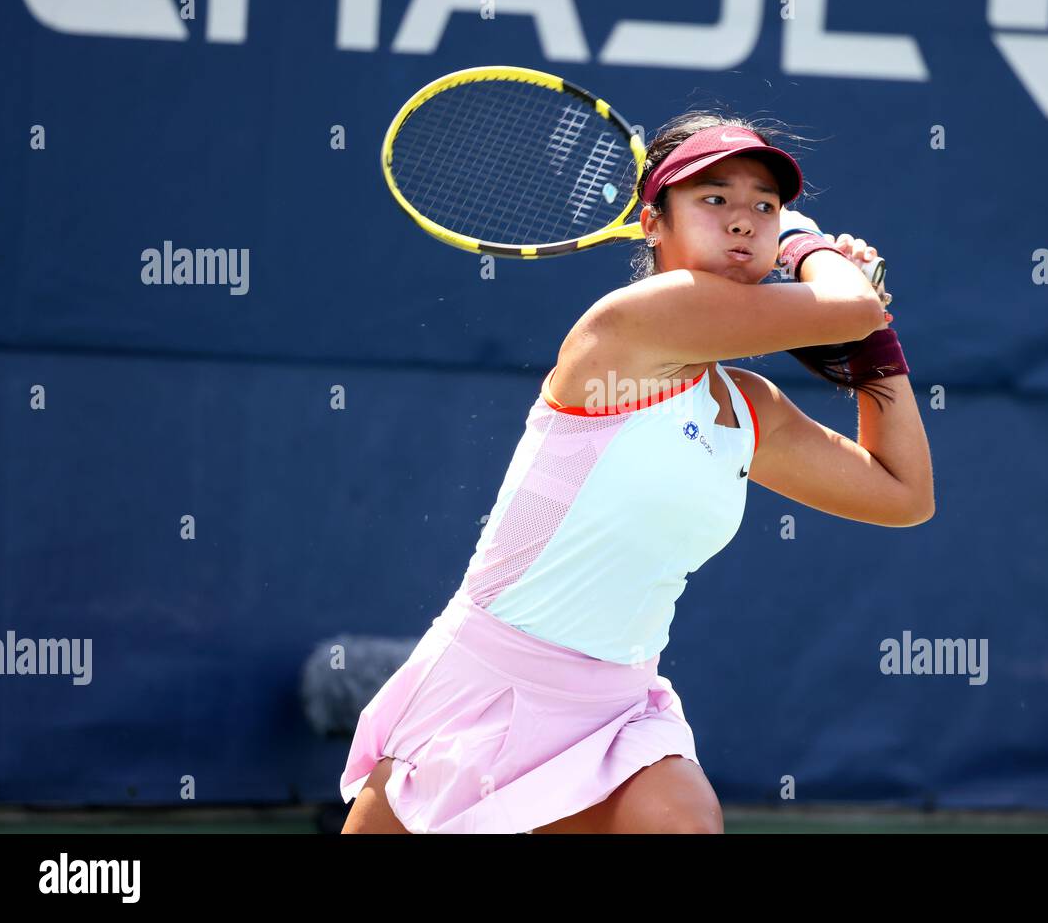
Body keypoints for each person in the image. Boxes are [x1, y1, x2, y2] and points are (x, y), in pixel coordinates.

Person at [339, 111, 934, 834]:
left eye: (765, 206)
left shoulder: (748, 410)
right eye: (713, 199)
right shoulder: (634, 321)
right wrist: (814, 251)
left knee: (681, 823)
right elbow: (848, 305)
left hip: (616, 705)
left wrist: (876, 343)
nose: (743, 222)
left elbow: (902, 493)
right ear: (652, 222)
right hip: (484, 686)